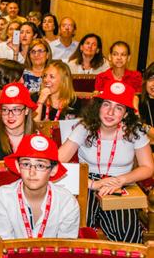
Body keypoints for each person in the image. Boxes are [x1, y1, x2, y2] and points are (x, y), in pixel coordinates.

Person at [59, 81, 154, 243]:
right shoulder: (84, 127)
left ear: (125, 114)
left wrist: (120, 180)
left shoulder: (135, 131)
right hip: (86, 182)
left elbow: (148, 168)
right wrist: (92, 184)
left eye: (118, 108)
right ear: (98, 107)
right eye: (106, 105)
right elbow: (56, 163)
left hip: (120, 183)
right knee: (79, 224)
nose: (110, 112)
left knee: (126, 230)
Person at [0, 134, 79, 239]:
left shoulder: (67, 202)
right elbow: (3, 246)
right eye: (25, 164)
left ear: (53, 170)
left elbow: (65, 249)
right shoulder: (2, 197)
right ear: (18, 166)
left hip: (52, 255)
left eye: (40, 166)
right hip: (13, 255)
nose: (31, 172)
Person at [0, 82, 39, 161]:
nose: (10, 115)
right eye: (5, 109)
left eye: (16, 109)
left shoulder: (37, 137)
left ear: (26, 110)